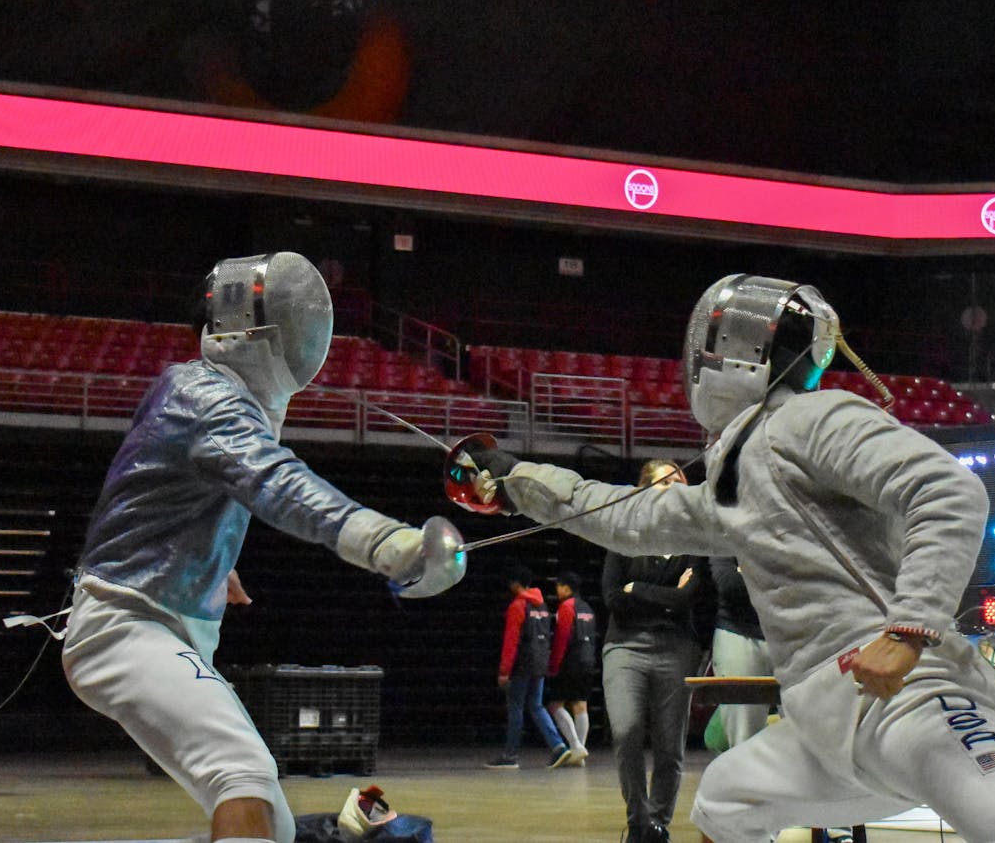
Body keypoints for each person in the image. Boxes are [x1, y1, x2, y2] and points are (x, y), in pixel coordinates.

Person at [457, 274, 995, 842]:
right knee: (728, 798)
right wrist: (515, 480)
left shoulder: (814, 417)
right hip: (827, 725)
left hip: (909, 699)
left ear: (734, 351)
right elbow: (629, 516)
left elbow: (948, 490)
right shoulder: (735, 472)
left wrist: (909, 629)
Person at [61, 253, 464, 843]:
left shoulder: (210, 393)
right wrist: (385, 540)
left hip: (161, 624)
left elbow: (156, 494)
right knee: (242, 775)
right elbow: (274, 482)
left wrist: (214, 560)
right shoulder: (206, 397)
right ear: (262, 332)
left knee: (271, 825)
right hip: (127, 627)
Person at [594, 459, 708, 843]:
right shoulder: (625, 535)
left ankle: (658, 825)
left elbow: (688, 598)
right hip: (625, 646)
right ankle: (639, 821)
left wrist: (638, 590)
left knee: (669, 745)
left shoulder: (695, 537)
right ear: (644, 490)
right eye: (665, 482)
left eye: (679, 480)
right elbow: (612, 596)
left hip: (677, 648)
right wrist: (668, 595)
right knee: (626, 731)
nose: (675, 486)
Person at [487, 565, 570, 770]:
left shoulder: (518, 606)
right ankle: (558, 746)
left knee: (516, 707)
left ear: (515, 583)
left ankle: (510, 755)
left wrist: (505, 670)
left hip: (521, 665)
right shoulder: (542, 606)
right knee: (536, 705)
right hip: (539, 662)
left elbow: (511, 641)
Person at [707, 556, 773, 749]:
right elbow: (729, 584)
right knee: (744, 740)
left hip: (794, 635)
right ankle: (742, 779)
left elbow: (807, 584)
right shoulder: (728, 531)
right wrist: (778, 577)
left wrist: (748, 573)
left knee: (805, 734)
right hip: (739, 633)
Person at [546, 569, 598, 767]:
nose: (557, 590)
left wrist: (554, 665)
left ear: (566, 587)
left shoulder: (566, 607)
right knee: (580, 705)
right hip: (588, 661)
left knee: (555, 705)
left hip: (570, 662)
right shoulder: (588, 608)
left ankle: (576, 745)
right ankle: (580, 751)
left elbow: (562, 638)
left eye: (559, 586)